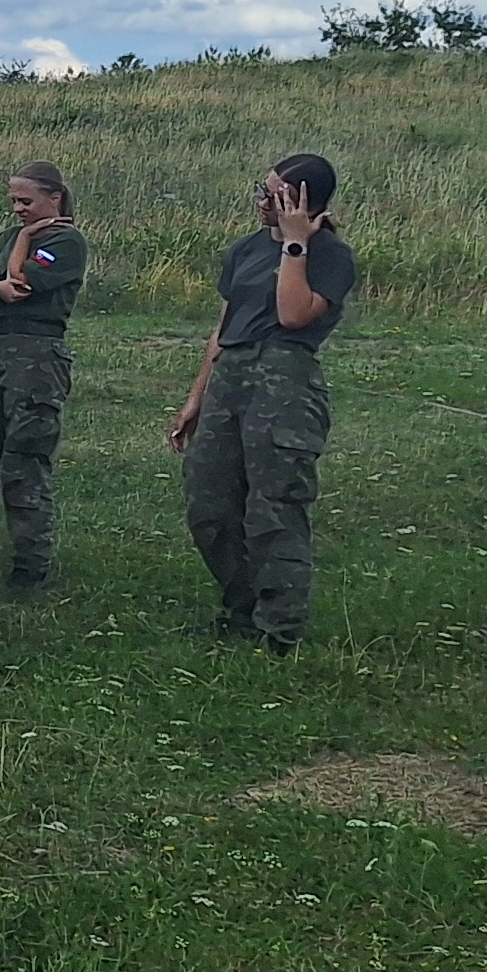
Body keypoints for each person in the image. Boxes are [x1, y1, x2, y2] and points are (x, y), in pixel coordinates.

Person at [172, 153, 359, 655]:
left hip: (285, 380)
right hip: (230, 377)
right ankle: (241, 611)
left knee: (274, 508)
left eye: (275, 195)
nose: (262, 201)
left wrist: (296, 243)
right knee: (209, 505)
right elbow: (223, 328)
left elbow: (293, 315)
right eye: (263, 189)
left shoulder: (329, 254)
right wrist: (196, 398)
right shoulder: (245, 249)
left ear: (302, 200)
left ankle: (279, 631)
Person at [0, 162, 87, 589]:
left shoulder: (65, 241)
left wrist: (23, 244)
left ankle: (30, 564)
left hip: (37, 353)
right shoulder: (10, 235)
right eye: (13, 201)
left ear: (54, 198)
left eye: (25, 201)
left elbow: (21, 280)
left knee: (24, 460)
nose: (18, 209)